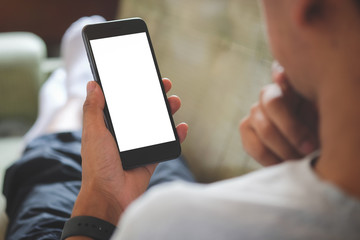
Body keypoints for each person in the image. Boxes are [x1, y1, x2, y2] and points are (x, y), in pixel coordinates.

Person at [4, 0, 360, 239]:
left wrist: (101, 201)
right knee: (164, 168)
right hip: (170, 180)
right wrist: (305, 164)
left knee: (50, 172)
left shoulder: (171, 222)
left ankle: (68, 95)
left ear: (303, 6)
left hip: (147, 202)